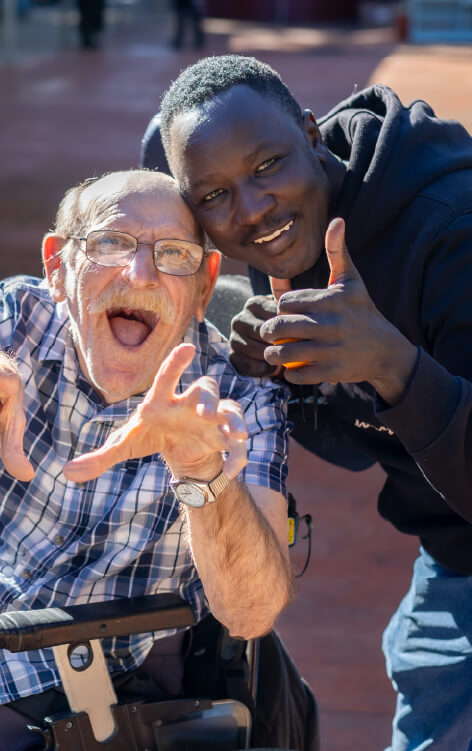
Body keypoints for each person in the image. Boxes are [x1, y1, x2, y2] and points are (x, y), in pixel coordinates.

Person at [0, 169, 317, 750]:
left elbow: (251, 615)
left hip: (78, 684)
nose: (141, 274)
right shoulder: (17, 322)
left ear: (205, 286)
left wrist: (201, 472)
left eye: (174, 254)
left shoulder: (237, 396)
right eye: (112, 243)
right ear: (58, 267)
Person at [140, 54, 472, 751]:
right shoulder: (292, 234)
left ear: (313, 136)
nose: (252, 209)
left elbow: (396, 388)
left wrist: (393, 363)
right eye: (214, 196)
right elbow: (364, 444)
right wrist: (295, 375)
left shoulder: (450, 233)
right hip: (453, 542)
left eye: (266, 167)